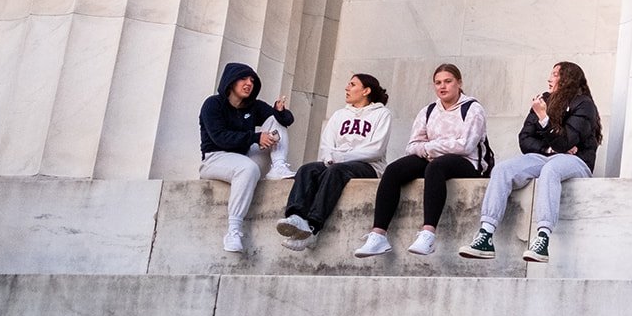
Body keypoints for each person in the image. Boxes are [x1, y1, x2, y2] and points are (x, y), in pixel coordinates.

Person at [459, 61, 601, 264]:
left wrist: (544, 118)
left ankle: (542, 238)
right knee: (503, 169)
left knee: (551, 170)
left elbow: (567, 141)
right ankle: (486, 234)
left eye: (555, 74)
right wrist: (549, 148)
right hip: (545, 156)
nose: (549, 78)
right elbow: (525, 139)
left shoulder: (583, 104)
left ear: (567, 79)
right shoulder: (543, 100)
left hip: (577, 161)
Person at [353, 64, 487, 258]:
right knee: (394, 170)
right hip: (432, 157)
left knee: (436, 167)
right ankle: (378, 235)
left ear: (459, 83)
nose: (443, 86)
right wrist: (430, 148)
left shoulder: (473, 109)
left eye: (448, 81)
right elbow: (412, 145)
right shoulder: (429, 110)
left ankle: (428, 234)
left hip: (467, 162)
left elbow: (465, 146)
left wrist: (430, 147)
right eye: (438, 83)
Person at [275, 74, 392, 250]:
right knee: (307, 169)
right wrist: (331, 157)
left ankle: (313, 228)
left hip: (368, 165)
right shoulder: (340, 114)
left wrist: (342, 157)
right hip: (336, 161)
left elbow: (376, 149)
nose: (346, 88)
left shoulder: (382, 114)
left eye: (352, 84)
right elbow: (326, 144)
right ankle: (297, 217)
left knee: (335, 171)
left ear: (366, 91)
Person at [198, 62, 296, 252]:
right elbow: (220, 138)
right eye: (243, 79)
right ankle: (233, 232)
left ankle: (279, 166)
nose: (248, 83)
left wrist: (281, 112)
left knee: (274, 120)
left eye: (252, 80)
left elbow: (285, 121)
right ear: (231, 82)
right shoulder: (213, 104)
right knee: (248, 168)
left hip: (243, 156)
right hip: (215, 158)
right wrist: (256, 137)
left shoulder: (254, 106)